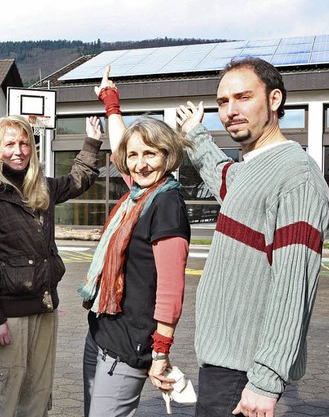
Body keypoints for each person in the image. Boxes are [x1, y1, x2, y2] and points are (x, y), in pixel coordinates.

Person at [176, 57, 329, 417]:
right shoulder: (252, 169)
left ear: (274, 100)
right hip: (223, 363)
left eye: (243, 97)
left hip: (245, 373)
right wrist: (195, 134)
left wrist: (266, 381)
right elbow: (221, 176)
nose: (230, 110)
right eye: (223, 102)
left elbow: (294, 285)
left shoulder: (297, 176)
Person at [0, 114, 102, 416]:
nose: (19, 150)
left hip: (44, 308)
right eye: (10, 143)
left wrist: (91, 142)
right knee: (3, 397)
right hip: (8, 316)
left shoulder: (39, 186)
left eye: (25, 142)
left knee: (38, 397)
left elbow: (78, 180)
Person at [78, 66, 192, 416]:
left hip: (131, 343)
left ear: (167, 156)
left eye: (151, 154)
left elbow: (171, 288)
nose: (140, 164)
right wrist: (110, 101)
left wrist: (161, 350)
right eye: (134, 156)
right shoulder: (138, 195)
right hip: (101, 332)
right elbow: (121, 143)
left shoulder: (166, 203)